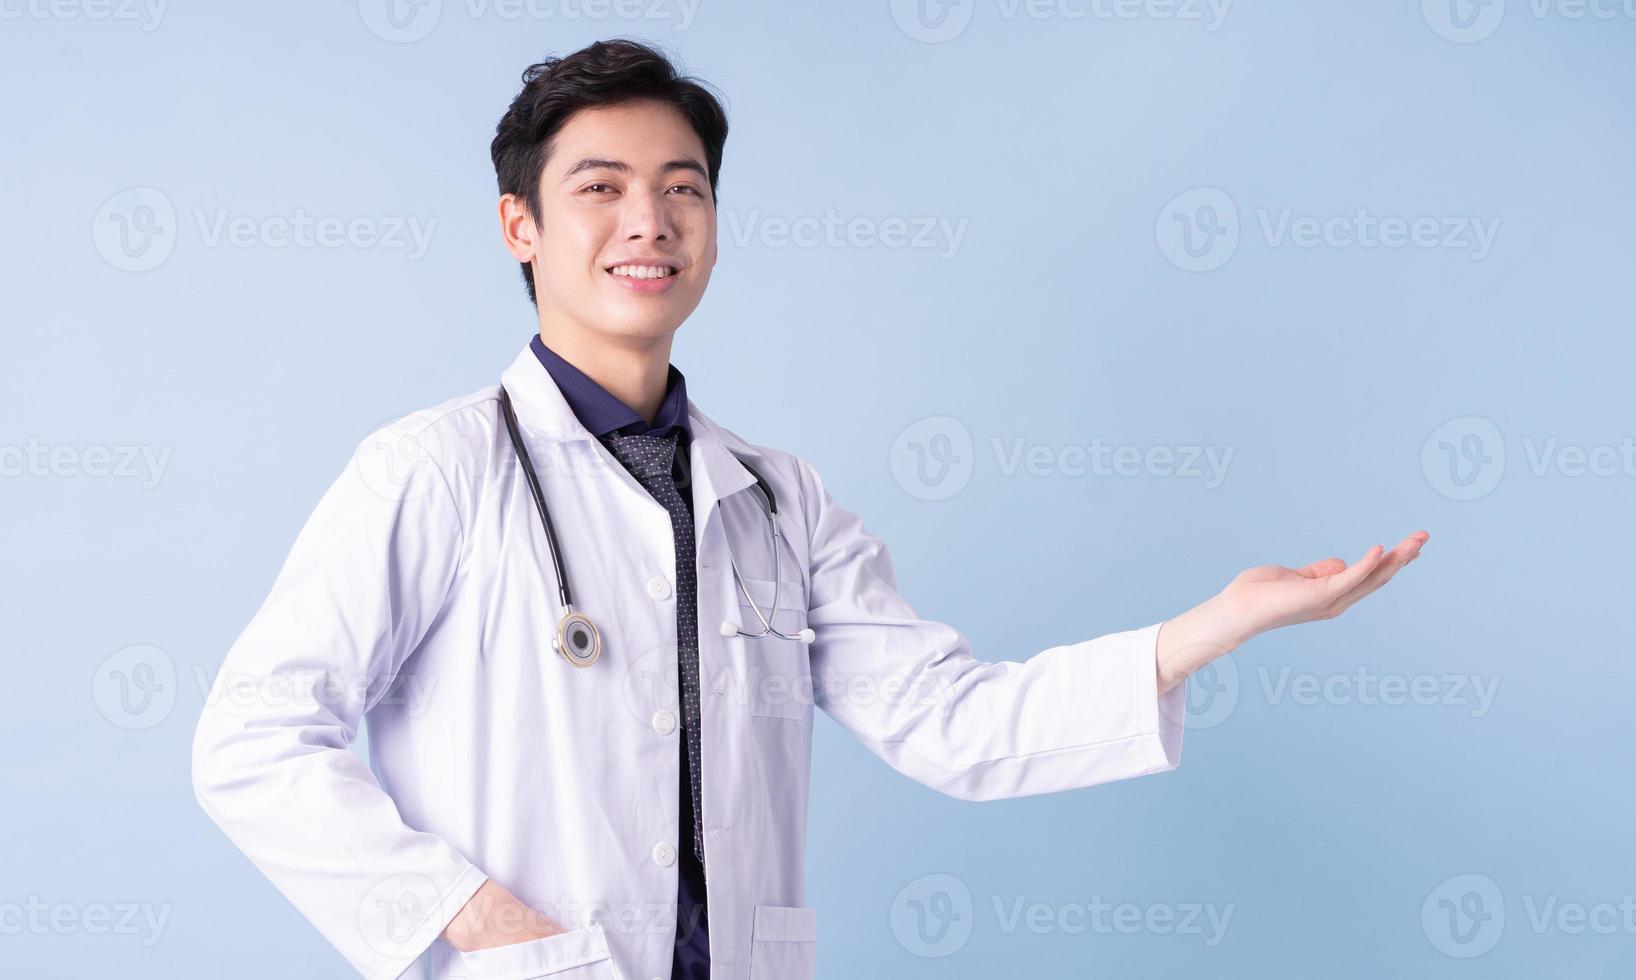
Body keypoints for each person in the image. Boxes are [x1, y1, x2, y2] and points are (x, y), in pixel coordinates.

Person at [190, 37, 1428, 980]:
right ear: (520, 224)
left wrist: (1215, 621)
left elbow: (955, 723)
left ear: (714, 225)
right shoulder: (435, 468)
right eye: (601, 188)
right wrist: (473, 917)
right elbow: (249, 739)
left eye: (683, 188)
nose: (648, 222)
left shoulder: (778, 497)